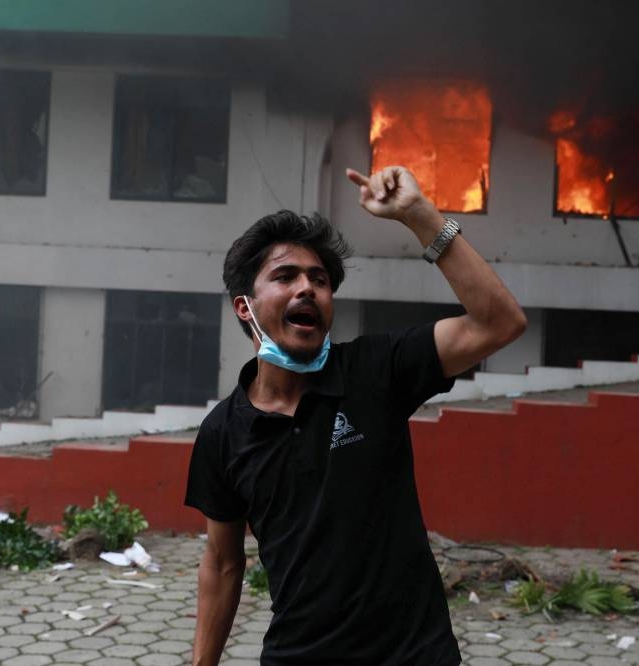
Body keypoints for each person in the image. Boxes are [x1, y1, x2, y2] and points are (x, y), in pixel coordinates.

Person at [185, 166, 527, 665]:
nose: (307, 288)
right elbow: (222, 563)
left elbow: (500, 323)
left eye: (319, 280)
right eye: (285, 276)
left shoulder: (376, 370)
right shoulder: (223, 432)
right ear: (245, 307)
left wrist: (419, 215)